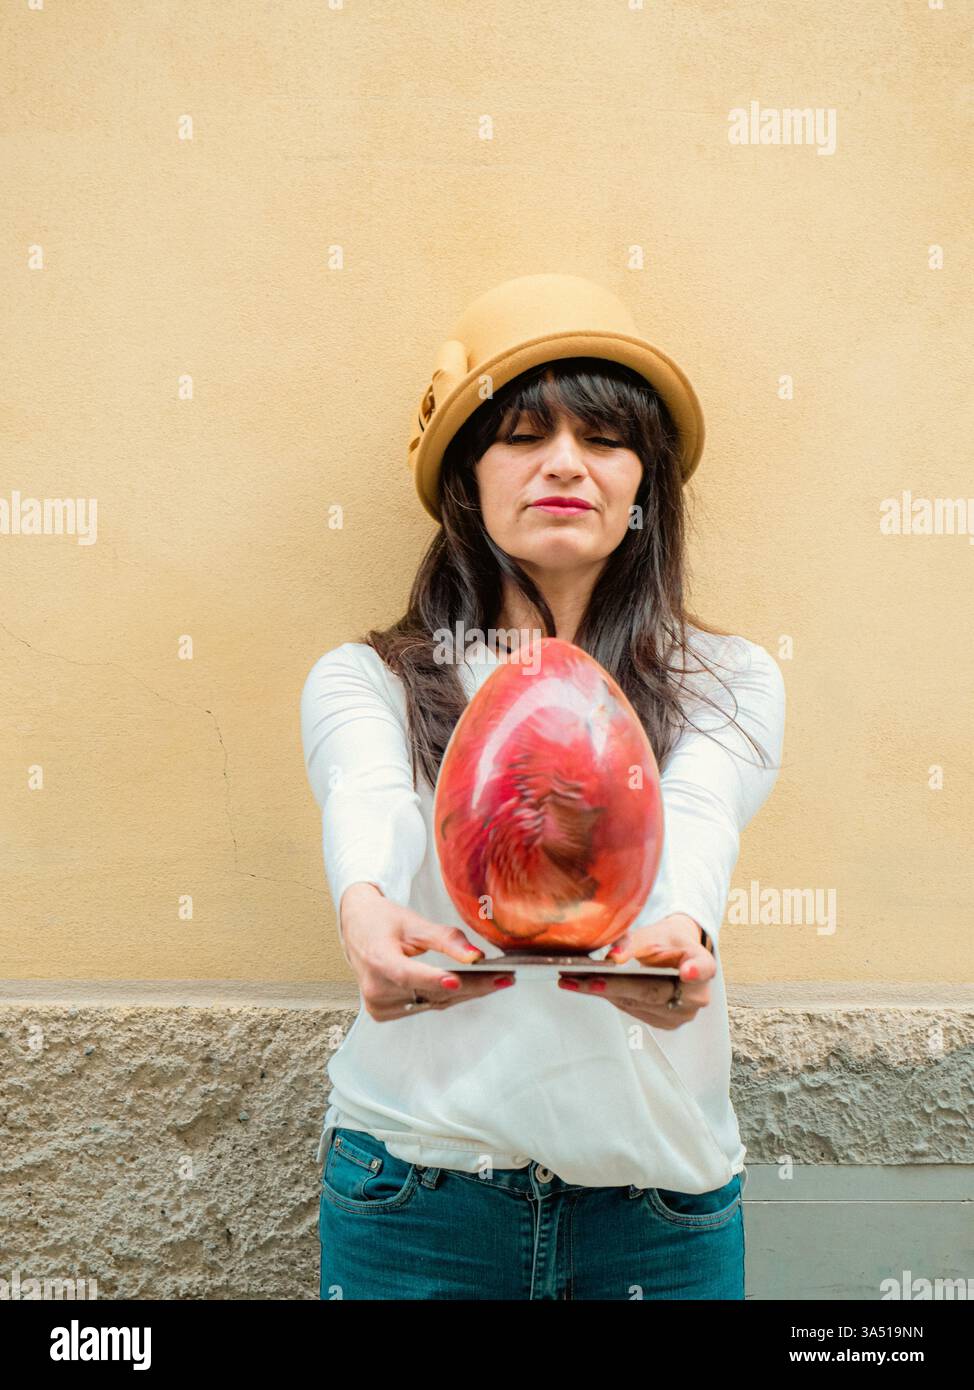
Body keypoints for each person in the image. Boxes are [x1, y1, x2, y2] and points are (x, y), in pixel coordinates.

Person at [300, 273, 786, 1300]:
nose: (564, 461)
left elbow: (698, 814)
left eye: (603, 438)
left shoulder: (726, 681)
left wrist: (681, 931)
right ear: (465, 477)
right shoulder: (370, 679)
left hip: (658, 1213)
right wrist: (365, 908)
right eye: (522, 435)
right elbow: (367, 796)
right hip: (414, 1201)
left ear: (644, 484)